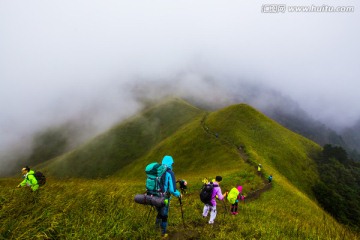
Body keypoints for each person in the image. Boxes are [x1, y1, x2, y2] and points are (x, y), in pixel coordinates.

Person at [155, 156, 181, 239]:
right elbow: (172, 190)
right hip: (165, 198)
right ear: (170, 163)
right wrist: (179, 194)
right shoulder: (170, 172)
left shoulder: (157, 170)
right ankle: (162, 234)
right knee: (164, 215)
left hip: (155, 196)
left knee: (159, 213)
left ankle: (155, 230)